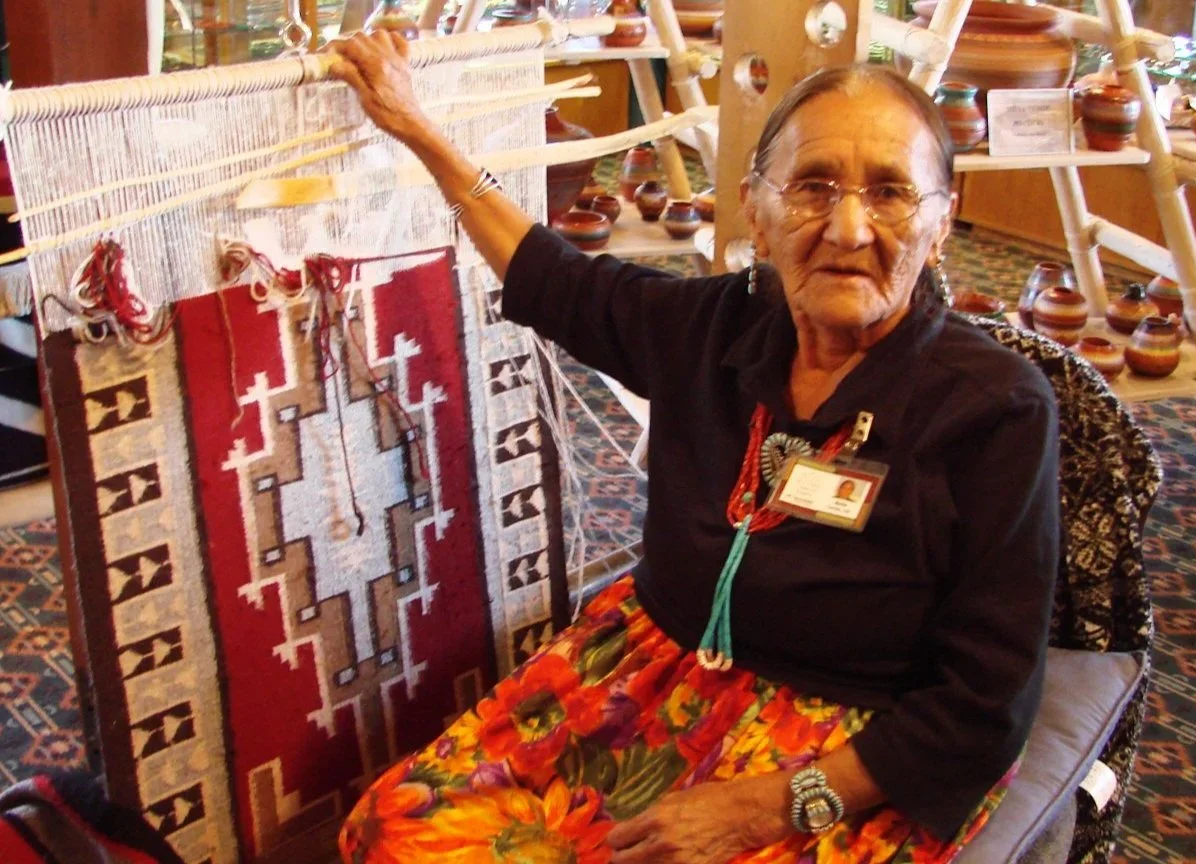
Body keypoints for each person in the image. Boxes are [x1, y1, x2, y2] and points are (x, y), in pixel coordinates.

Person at [331, 31, 1060, 864]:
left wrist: (772, 807)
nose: (850, 228)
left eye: (891, 192)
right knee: (398, 831)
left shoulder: (993, 410)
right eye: (813, 185)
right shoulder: (718, 324)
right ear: (756, 205)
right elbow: (555, 279)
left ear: (940, 223)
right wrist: (418, 129)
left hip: (847, 741)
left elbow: (986, 703)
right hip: (648, 671)